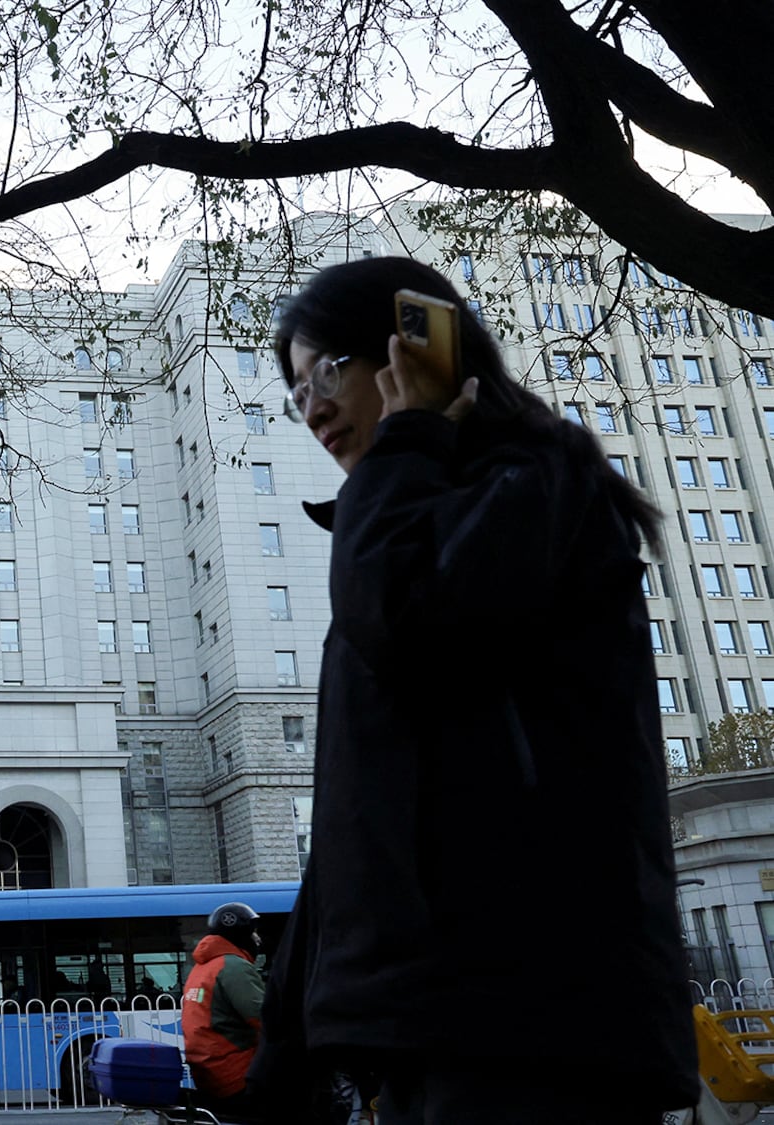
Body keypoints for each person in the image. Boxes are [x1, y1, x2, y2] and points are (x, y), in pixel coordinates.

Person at [244, 256, 699, 1123]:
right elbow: (359, 814)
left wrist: (411, 441)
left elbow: (408, 626)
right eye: (297, 392)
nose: (315, 409)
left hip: (532, 1020)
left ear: (414, 350)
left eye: (329, 372)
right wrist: (288, 1037)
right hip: (444, 1022)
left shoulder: (535, 488)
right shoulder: (415, 515)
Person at [183, 902, 264, 1123]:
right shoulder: (234, 967)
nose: (258, 939)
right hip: (236, 1076)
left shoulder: (200, 969)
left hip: (210, 1075)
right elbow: (267, 1020)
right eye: (253, 932)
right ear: (240, 934)